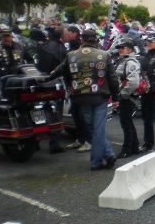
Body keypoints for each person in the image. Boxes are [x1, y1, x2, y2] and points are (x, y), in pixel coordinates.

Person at [51, 29, 119, 170]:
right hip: (100, 97)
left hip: (81, 97)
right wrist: (116, 96)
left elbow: (61, 71)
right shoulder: (104, 55)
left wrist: (47, 78)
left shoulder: (72, 55)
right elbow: (112, 78)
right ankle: (97, 161)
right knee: (98, 129)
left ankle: (108, 154)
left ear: (82, 40)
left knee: (93, 128)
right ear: (96, 40)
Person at [115, 38, 141, 158]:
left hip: (128, 97)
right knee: (127, 122)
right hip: (126, 96)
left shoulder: (130, 62)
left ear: (129, 49)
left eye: (122, 48)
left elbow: (134, 82)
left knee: (126, 123)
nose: (119, 50)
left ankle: (127, 149)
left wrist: (123, 94)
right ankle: (134, 146)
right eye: (119, 48)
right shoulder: (123, 60)